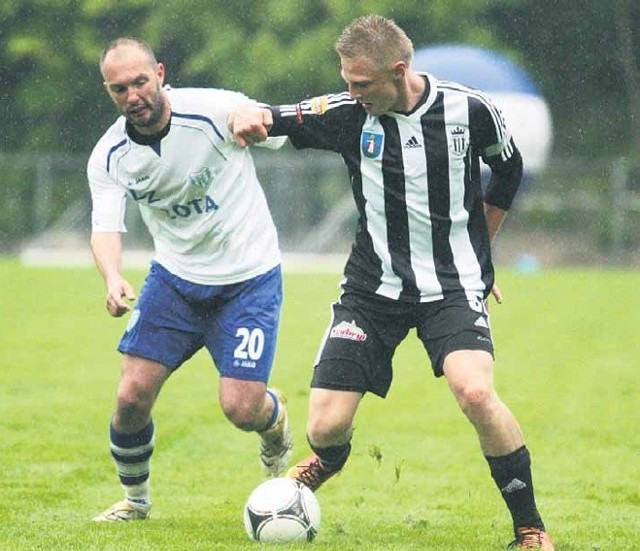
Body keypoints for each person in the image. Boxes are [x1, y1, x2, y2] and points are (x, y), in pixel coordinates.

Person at [232, 15, 554, 550]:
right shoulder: (346, 113)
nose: (351, 93)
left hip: (451, 285)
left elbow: (510, 169)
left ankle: (530, 527)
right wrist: (245, 112)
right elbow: (276, 116)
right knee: (324, 427)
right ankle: (329, 460)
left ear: (399, 71)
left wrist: (481, 254)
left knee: (474, 391)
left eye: (362, 84)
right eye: (347, 81)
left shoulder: (468, 110)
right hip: (371, 289)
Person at [87, 37, 292, 522]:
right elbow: (105, 227)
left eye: (140, 81)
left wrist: (254, 117)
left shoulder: (211, 110)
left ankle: (274, 418)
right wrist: (113, 276)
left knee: (242, 409)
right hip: (175, 282)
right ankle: (136, 504)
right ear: (109, 92)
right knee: (130, 395)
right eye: (120, 89)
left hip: (249, 279)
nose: (133, 95)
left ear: (159, 73)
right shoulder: (109, 155)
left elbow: (267, 120)